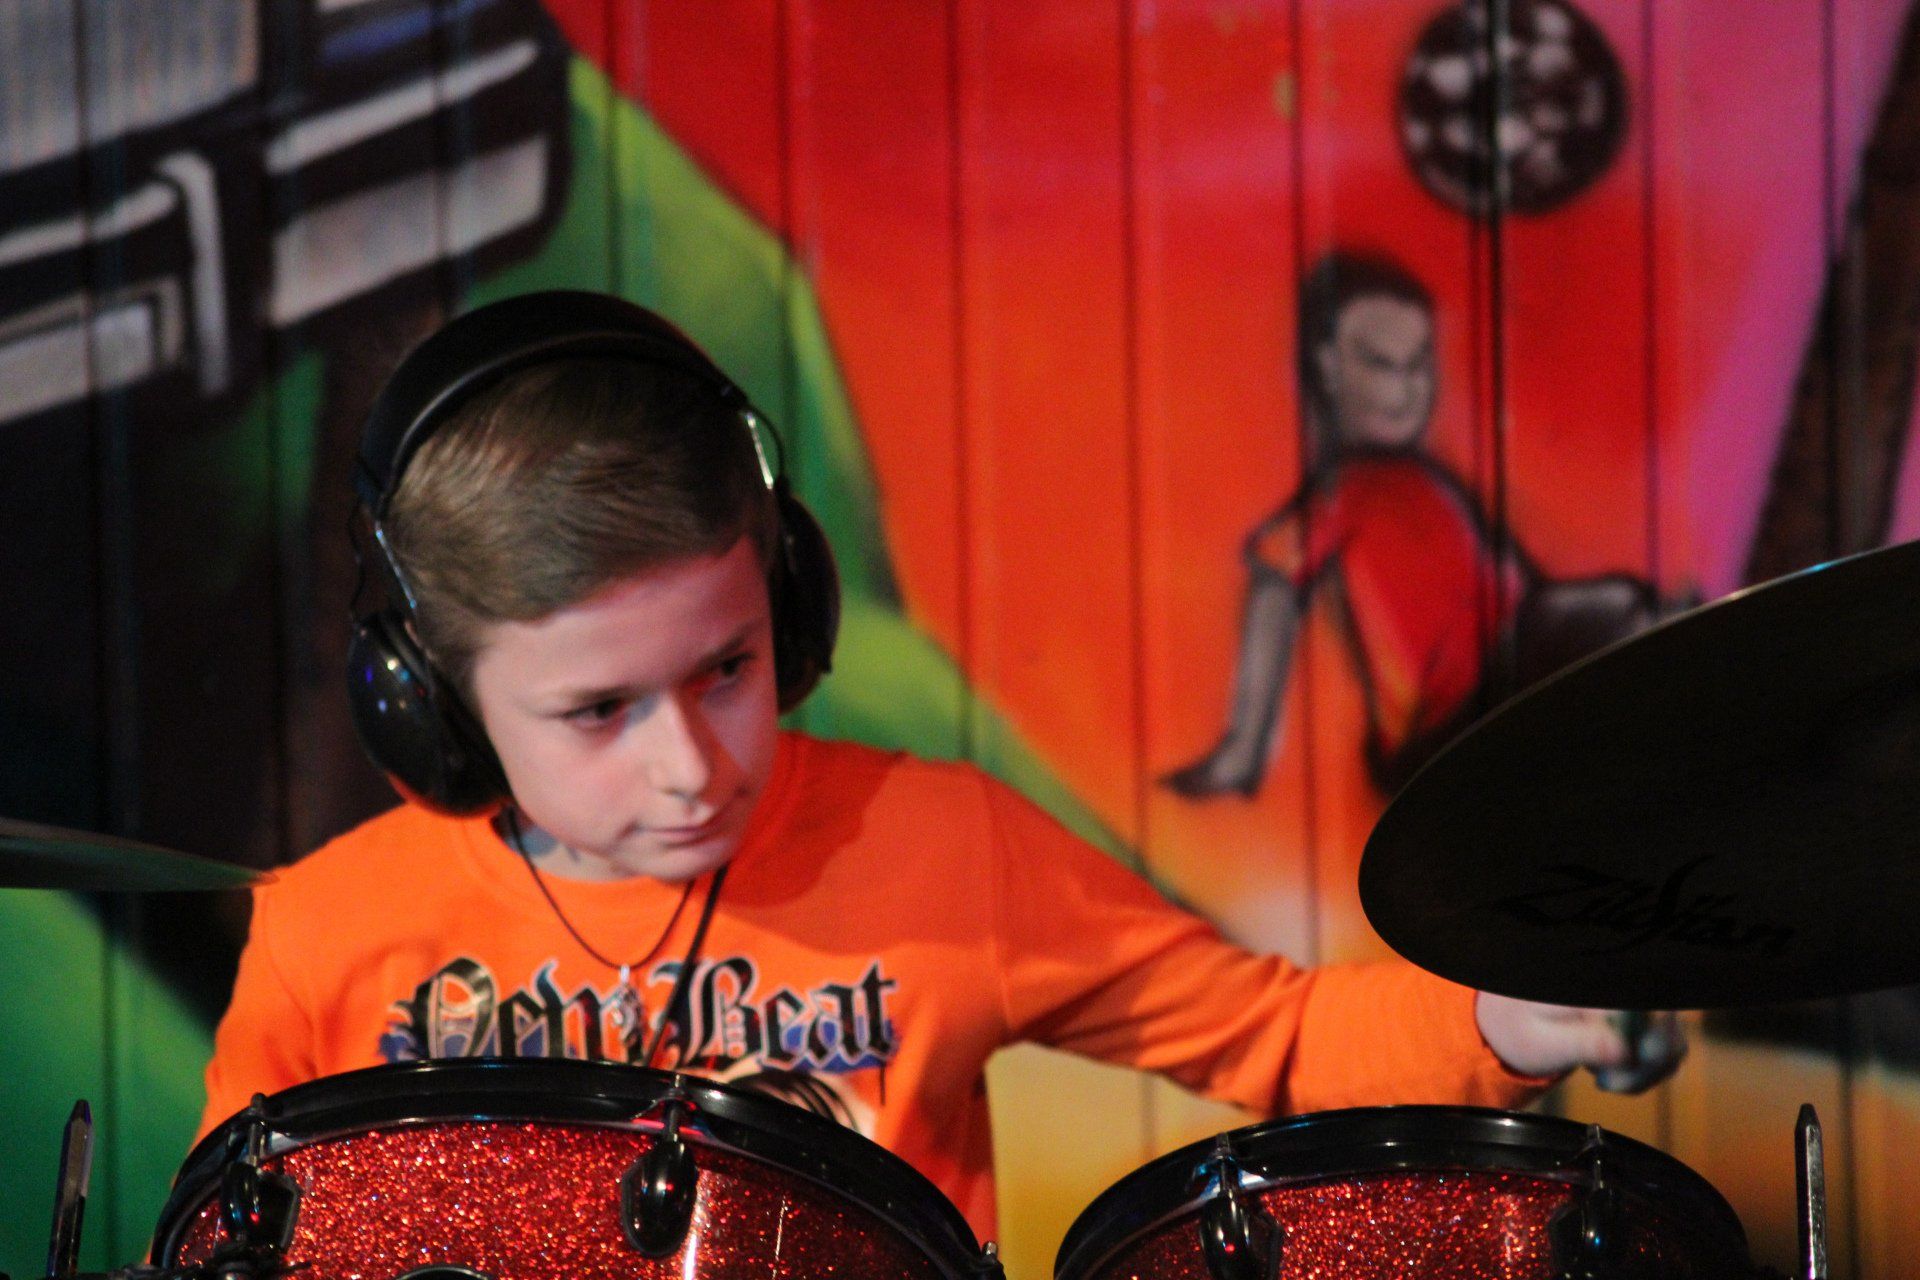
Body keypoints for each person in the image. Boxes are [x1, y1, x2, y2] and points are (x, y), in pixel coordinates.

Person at [200, 291, 1681, 1240]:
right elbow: (229, 1239)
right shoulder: (327, 932)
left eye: (728, 667)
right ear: (434, 708)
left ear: (788, 605)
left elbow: (1279, 1041)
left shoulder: (946, 847)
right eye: (597, 712)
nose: (689, 767)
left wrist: (1512, 1016)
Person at [1165, 252, 1658, 799]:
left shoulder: (1419, 477)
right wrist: (1243, 749)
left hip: (1506, 663)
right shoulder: (1342, 493)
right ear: (1327, 367)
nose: (1407, 389)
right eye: (1381, 365)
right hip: (1454, 712)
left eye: (1418, 364)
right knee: (1620, 616)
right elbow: (1275, 588)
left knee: (1623, 624)